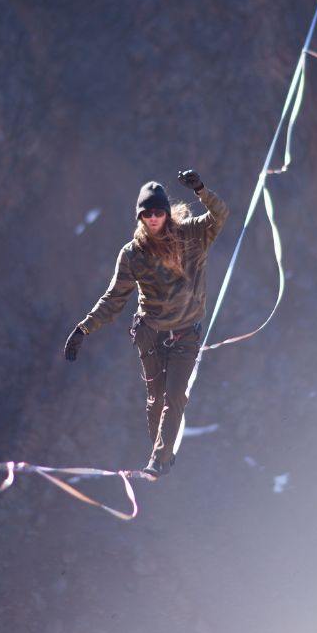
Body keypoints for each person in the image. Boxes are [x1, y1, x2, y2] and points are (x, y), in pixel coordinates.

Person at [64, 169, 230, 478]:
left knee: (175, 396)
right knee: (156, 402)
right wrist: (82, 329)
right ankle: (162, 452)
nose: (152, 218)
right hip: (150, 333)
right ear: (140, 217)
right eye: (146, 213)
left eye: (157, 212)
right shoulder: (132, 254)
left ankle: (158, 460)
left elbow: (220, 214)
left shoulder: (193, 236)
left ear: (166, 212)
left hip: (186, 334)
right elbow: (115, 298)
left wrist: (201, 190)